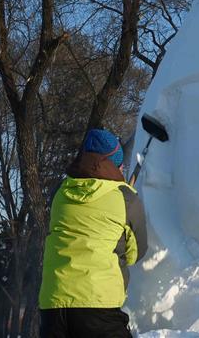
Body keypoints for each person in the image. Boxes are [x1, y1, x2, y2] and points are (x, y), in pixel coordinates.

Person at [39, 128, 148, 338]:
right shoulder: (126, 199)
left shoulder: (60, 192)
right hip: (96, 305)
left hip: (52, 305)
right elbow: (137, 253)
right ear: (115, 164)